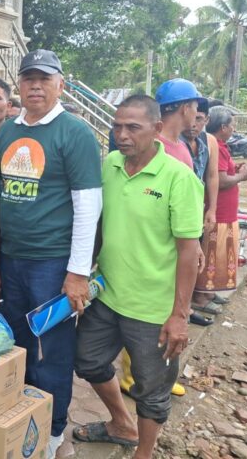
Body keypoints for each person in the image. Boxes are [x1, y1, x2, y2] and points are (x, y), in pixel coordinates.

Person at [73, 95, 203, 459]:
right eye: (117, 126)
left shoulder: (179, 178)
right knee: (86, 360)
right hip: (108, 296)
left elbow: (188, 251)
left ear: (157, 129)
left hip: (154, 310)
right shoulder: (111, 164)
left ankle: (143, 452)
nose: (122, 135)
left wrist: (180, 315)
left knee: (152, 390)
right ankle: (120, 423)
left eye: (133, 127)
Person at [0, 49, 102, 458]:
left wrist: (77, 272)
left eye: (45, 78)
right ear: (19, 86)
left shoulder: (74, 133)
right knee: (17, 344)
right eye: (28, 79)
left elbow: (89, 205)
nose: (36, 86)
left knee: (52, 351)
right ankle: (20, 419)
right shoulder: (8, 131)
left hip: (52, 264)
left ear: (60, 84)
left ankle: (52, 432)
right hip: (12, 260)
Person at [194, 107, 247, 307]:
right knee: (212, 254)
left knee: (219, 256)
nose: (234, 129)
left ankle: (211, 291)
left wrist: (234, 169)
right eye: (232, 125)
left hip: (225, 212)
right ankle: (202, 296)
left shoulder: (220, 146)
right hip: (218, 212)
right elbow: (221, 180)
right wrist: (242, 176)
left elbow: (222, 173)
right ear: (223, 127)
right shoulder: (213, 145)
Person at [183, 104, 221, 326]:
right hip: (177, 209)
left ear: (206, 119)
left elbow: (213, 175)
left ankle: (186, 308)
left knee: (193, 260)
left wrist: (212, 208)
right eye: (192, 118)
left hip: (197, 209)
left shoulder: (209, 142)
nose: (194, 124)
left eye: (200, 119)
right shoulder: (175, 141)